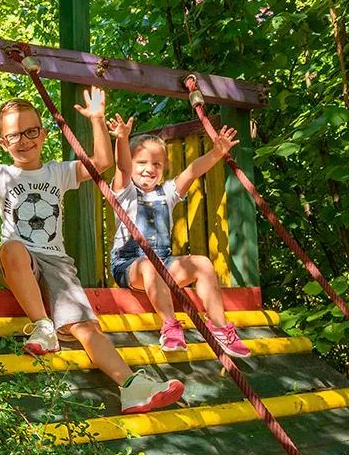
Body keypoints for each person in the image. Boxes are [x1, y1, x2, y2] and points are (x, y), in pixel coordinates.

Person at [0, 90, 185, 415]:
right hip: (19, 261)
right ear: (3, 143)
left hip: (56, 262)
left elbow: (102, 163)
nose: (24, 140)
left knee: (86, 328)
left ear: (43, 134)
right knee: (13, 247)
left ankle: (131, 386)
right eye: (14, 135)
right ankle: (43, 326)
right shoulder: (0, 175)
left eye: (31, 131)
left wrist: (97, 119)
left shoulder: (58, 172)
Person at [107, 117, 252, 358]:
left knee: (202, 263)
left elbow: (192, 171)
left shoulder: (167, 193)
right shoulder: (124, 192)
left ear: (164, 167)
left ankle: (219, 327)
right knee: (149, 265)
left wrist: (217, 152)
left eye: (157, 164)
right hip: (129, 265)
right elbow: (122, 168)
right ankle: (170, 326)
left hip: (163, 264)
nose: (149, 169)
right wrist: (122, 139)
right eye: (141, 162)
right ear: (131, 164)